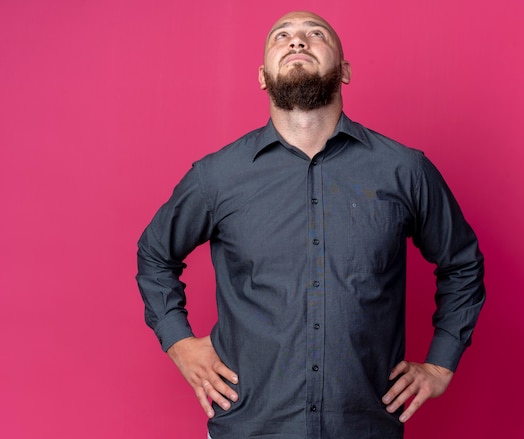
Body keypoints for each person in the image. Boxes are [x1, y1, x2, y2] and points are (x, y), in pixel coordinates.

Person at [136, 10, 485, 439]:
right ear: (263, 76)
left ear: (346, 71)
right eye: (281, 36)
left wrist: (439, 363)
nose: (297, 41)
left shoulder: (404, 170)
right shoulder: (217, 177)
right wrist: (179, 343)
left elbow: (462, 264)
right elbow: (154, 255)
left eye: (314, 34)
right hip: (249, 428)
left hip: (364, 427)